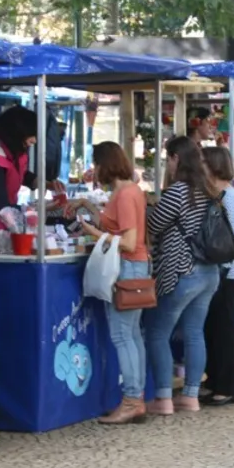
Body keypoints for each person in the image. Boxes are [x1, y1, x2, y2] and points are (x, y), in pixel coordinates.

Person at [63, 142, 150, 424]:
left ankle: (131, 400)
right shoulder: (129, 190)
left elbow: (127, 240)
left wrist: (92, 232)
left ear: (105, 164)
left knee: (123, 335)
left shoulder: (124, 195)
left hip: (127, 266)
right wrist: (87, 205)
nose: (94, 169)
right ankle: (136, 397)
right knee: (133, 334)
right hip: (136, 266)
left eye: (96, 163)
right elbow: (115, 224)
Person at [142, 137, 220, 414]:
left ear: (176, 158)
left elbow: (154, 224)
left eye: (168, 158)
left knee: (156, 332)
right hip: (209, 272)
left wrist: (147, 206)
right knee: (194, 332)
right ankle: (190, 396)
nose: (167, 163)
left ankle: (163, 398)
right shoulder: (208, 189)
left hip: (181, 271)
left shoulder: (178, 192)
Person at [0, 106, 65, 231]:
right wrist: (38, 209)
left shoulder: (10, 148)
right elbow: (0, 206)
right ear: (15, 133)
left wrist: (42, 183)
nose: (34, 140)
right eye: (31, 135)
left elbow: (17, 171)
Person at [200, 147, 234, 406]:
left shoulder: (229, 197)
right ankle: (215, 380)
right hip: (219, 269)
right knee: (212, 328)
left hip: (226, 270)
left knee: (224, 329)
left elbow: (222, 236)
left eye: (204, 163)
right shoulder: (217, 195)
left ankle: (228, 386)